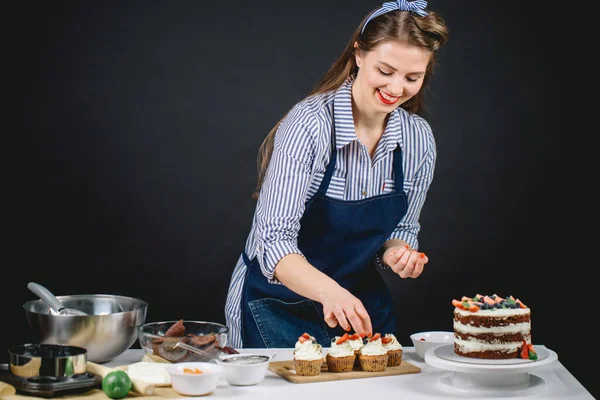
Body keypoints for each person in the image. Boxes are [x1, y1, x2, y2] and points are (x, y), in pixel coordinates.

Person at [225, 0, 449, 349]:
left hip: (358, 306)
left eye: (412, 77)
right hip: (277, 304)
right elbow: (272, 241)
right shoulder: (310, 124)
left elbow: (401, 229)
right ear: (358, 55)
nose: (396, 88)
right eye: (385, 71)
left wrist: (398, 253)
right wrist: (330, 292)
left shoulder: (418, 138)